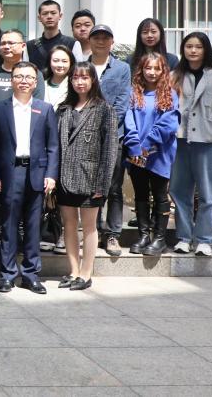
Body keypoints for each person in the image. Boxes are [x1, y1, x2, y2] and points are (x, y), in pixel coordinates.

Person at [0, 61, 59, 295]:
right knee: (8, 226)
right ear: (11, 80)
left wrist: (51, 174)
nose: (24, 81)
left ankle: (31, 275)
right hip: (10, 173)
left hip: (37, 173)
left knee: (33, 226)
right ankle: (7, 275)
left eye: (29, 77)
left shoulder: (45, 109)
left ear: (35, 82)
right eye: (19, 76)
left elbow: (53, 146)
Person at [56, 61, 117, 291]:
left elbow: (109, 151)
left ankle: (86, 273)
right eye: (75, 78)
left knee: (89, 227)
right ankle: (73, 270)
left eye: (85, 77)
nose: (80, 82)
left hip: (91, 179)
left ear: (93, 80)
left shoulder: (104, 109)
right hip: (64, 177)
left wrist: (103, 183)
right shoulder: (63, 109)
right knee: (69, 225)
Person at [171, 32, 212, 256]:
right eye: (189, 46)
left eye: (198, 47)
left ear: (206, 50)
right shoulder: (174, 75)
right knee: (179, 190)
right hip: (180, 141)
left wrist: (211, 131)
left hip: (209, 142)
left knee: (208, 193)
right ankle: (184, 237)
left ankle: (204, 240)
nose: (193, 50)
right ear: (183, 49)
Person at [124, 53, 180, 256]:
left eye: (157, 68)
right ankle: (144, 236)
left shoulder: (170, 94)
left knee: (159, 194)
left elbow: (169, 123)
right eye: (148, 68)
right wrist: (135, 146)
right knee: (140, 194)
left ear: (163, 71)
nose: (152, 72)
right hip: (136, 153)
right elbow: (129, 120)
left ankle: (159, 238)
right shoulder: (134, 93)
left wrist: (148, 143)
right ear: (141, 70)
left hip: (160, 153)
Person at [85, 24, 133, 257]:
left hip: (114, 136)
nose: (101, 41)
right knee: (90, 187)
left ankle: (113, 234)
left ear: (112, 42)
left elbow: (122, 103)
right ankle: (93, 232)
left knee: (113, 188)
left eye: (106, 38)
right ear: (90, 40)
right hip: (86, 137)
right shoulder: (81, 66)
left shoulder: (122, 68)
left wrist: (104, 128)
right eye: (96, 37)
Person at [0, 29, 47, 104]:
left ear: (23, 46)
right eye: (3, 43)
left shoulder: (34, 74)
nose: (6, 47)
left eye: (11, 43)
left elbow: (38, 105)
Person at [26, 0, 77, 72]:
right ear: (39, 18)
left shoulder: (72, 43)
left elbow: (78, 71)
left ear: (60, 16)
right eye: (45, 13)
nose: (49, 16)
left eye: (53, 13)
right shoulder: (30, 46)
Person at [44, 44, 75, 108]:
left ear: (70, 63)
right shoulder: (41, 85)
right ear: (49, 62)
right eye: (55, 61)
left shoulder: (74, 85)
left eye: (64, 61)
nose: (60, 65)